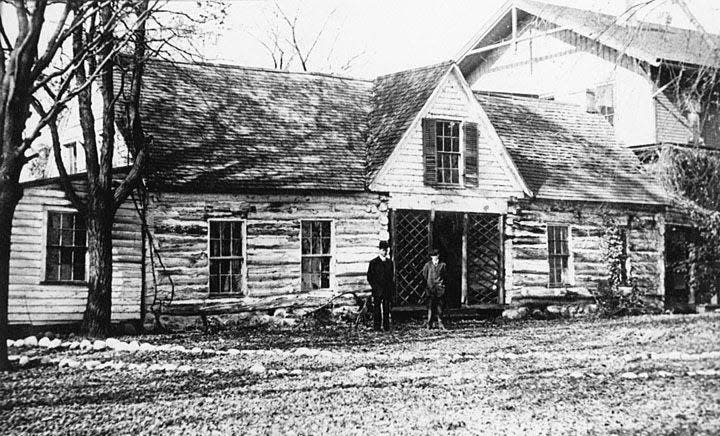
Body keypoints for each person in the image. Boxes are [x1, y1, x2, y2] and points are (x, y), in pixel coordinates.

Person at [366, 240, 394, 331]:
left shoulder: (390, 263)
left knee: (386, 308)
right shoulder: (373, 262)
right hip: (377, 289)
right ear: (379, 250)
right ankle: (377, 327)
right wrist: (375, 287)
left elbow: (391, 276)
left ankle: (386, 326)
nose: (384, 252)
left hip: (387, 289)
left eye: (386, 250)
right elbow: (369, 277)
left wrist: (390, 287)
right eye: (382, 250)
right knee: (377, 308)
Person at [422, 248, 446, 330]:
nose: (434, 257)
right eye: (432, 256)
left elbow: (445, 276)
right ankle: (429, 323)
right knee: (430, 307)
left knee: (440, 307)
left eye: (435, 255)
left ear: (438, 255)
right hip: (431, 288)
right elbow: (425, 275)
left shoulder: (443, 265)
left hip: (439, 288)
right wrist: (429, 284)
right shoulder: (428, 265)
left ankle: (440, 323)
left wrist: (441, 284)